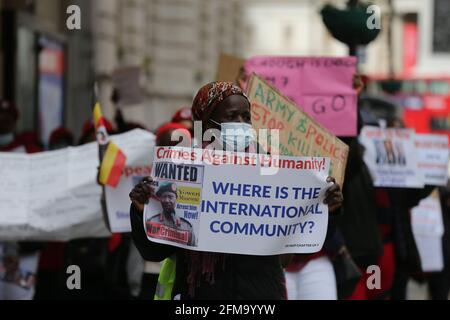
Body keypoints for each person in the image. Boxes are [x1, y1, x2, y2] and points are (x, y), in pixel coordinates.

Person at [129, 81, 344, 300]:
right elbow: (153, 251)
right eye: (232, 117)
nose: (241, 124)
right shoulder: (182, 172)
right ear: (205, 123)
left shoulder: (273, 172)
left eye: (246, 117)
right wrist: (139, 211)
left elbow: (295, 248)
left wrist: (330, 209)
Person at [146, 182, 196, 247]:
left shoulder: (187, 227)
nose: (166, 200)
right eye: (164, 197)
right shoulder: (151, 222)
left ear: (176, 198)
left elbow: (191, 249)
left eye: (170, 197)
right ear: (160, 200)